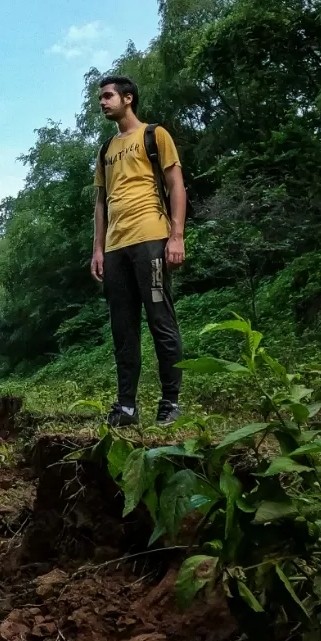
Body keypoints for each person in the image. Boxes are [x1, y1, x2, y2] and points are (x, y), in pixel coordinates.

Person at [90, 73, 187, 426]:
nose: (102, 102)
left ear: (127, 99)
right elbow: (101, 203)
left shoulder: (154, 135)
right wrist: (98, 249)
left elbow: (176, 185)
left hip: (151, 239)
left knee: (161, 320)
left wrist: (176, 236)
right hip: (116, 248)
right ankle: (127, 407)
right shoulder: (105, 150)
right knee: (123, 329)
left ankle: (171, 402)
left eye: (108, 96)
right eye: (100, 97)